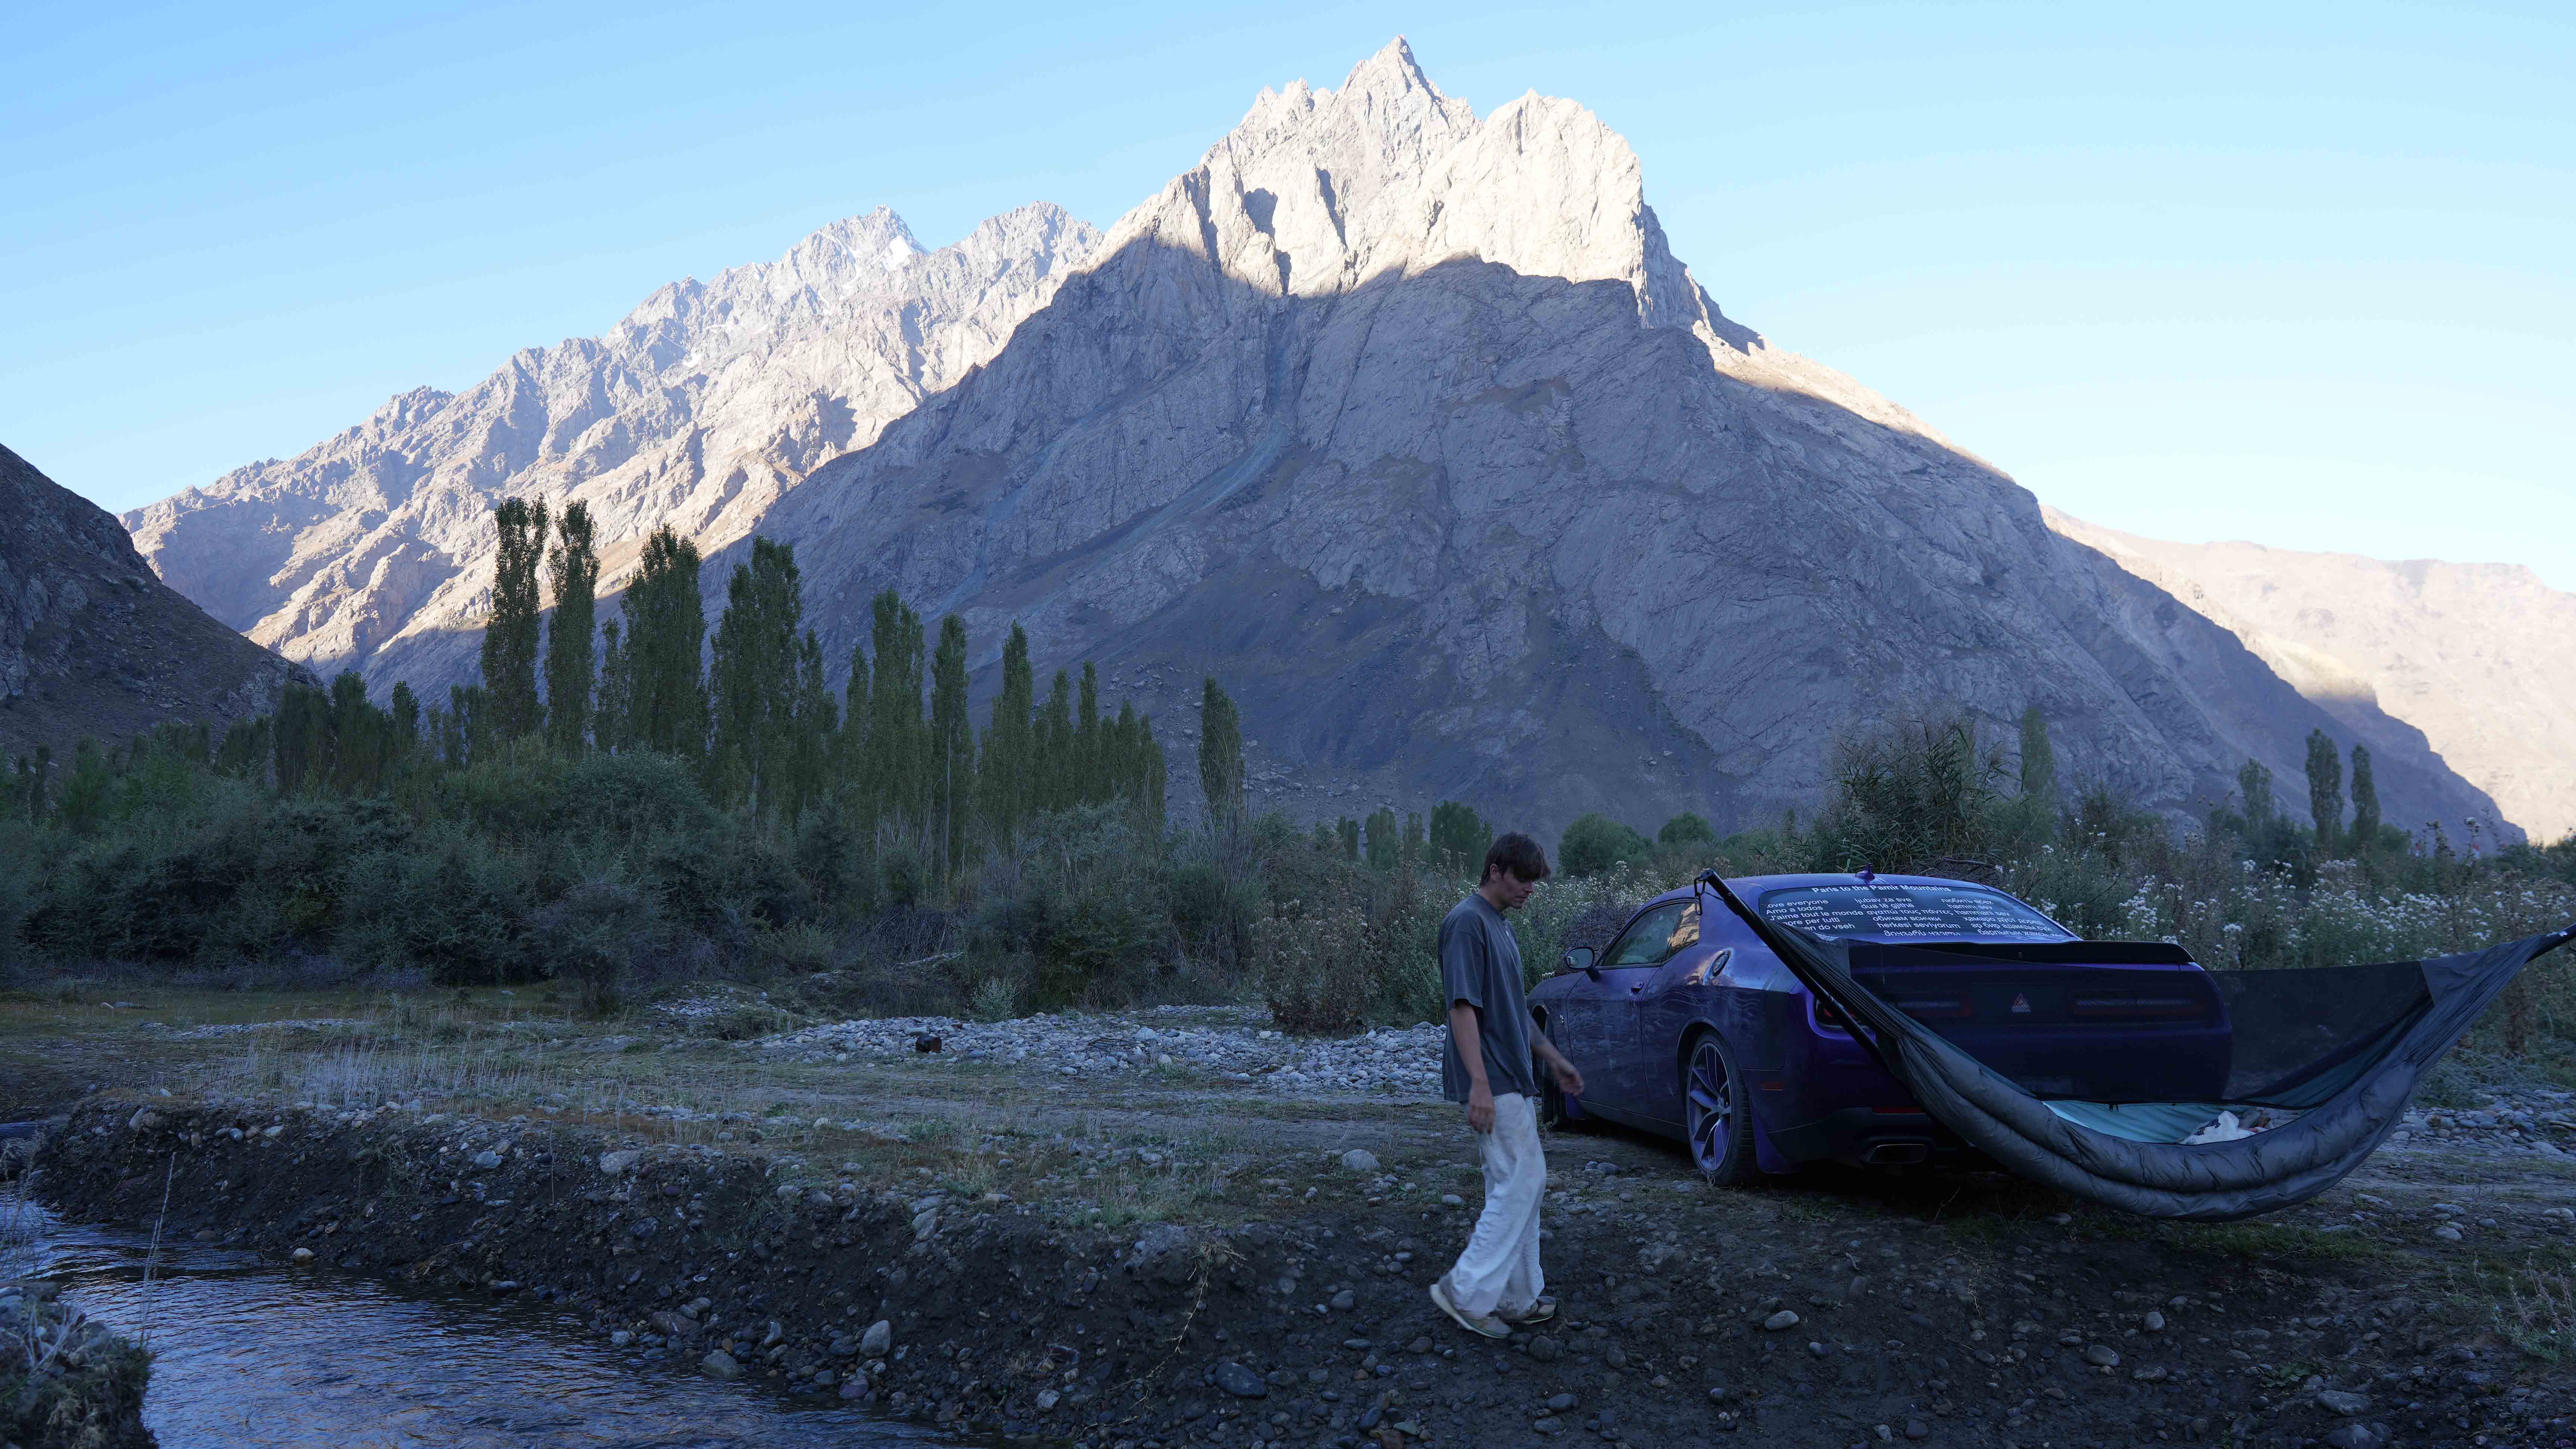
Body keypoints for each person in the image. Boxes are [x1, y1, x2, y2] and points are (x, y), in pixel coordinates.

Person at [1428, 831, 1585, 1339]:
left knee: (1519, 1185)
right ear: (1496, 870)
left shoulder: (1498, 926)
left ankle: (1517, 1298)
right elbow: (1462, 1007)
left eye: (1535, 882)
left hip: (1510, 1074)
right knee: (1523, 1180)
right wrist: (1478, 1084)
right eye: (1523, 879)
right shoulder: (1466, 924)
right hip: (1491, 1076)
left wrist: (1554, 1058)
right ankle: (1467, 1290)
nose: (1530, 890)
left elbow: (1514, 1010)